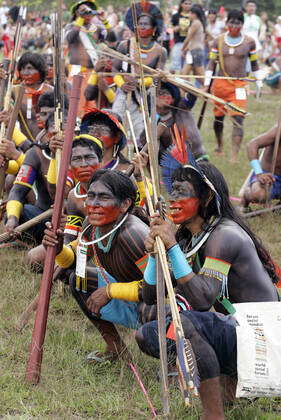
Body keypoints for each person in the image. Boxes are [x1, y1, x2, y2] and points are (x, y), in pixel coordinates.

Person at [43, 169, 150, 361]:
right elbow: (74, 261)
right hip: (130, 295)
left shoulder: (133, 234)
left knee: (152, 310)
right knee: (79, 280)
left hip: (159, 303)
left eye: (103, 197)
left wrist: (110, 291)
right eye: (91, 196)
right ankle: (115, 348)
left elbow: (158, 288)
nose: (94, 204)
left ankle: (175, 365)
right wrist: (59, 248)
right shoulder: (91, 226)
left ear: (125, 204)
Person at [205, 9, 262, 162]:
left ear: (242, 24)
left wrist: (259, 83)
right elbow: (211, 63)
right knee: (218, 119)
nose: (234, 25)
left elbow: (255, 64)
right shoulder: (218, 40)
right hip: (220, 84)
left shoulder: (249, 42)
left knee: (238, 118)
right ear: (226, 23)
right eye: (231, 22)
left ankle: (234, 156)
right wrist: (206, 83)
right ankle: (219, 145)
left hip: (239, 85)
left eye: (237, 23)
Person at [112, 1, 166, 145]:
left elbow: (157, 77)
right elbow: (115, 69)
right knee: (115, 126)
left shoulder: (160, 51)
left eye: (146, 24)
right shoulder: (125, 45)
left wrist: (141, 82)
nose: (142, 26)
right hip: (124, 94)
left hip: (145, 97)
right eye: (140, 23)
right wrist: (122, 84)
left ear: (154, 28)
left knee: (141, 137)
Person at [64, 0, 111, 116]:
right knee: (77, 106)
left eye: (89, 11)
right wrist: (80, 19)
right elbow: (70, 38)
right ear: (76, 13)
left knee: (94, 105)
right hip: (78, 72)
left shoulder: (96, 28)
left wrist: (104, 20)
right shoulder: (71, 27)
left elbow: (112, 38)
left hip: (95, 73)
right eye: (83, 11)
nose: (87, 13)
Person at [141, 81, 207, 162]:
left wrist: (172, 79)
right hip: (179, 166)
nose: (166, 96)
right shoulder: (156, 127)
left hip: (199, 158)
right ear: (153, 100)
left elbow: (192, 90)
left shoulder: (183, 107)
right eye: (160, 94)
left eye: (168, 93)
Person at [15, 52, 53, 142]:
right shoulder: (15, 91)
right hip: (24, 145)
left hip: (48, 144)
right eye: (22, 69)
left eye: (29, 68)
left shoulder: (51, 91)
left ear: (40, 70)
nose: (25, 72)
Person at [241, 124, 281, 210]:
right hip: (269, 176)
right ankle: (247, 195)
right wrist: (259, 173)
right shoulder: (278, 130)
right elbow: (252, 144)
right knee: (259, 194)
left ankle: (278, 207)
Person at [182, 5, 206, 84]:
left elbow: (188, 38)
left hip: (196, 52)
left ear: (194, 14)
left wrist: (182, 49)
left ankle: (209, 90)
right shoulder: (197, 23)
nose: (189, 15)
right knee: (188, 74)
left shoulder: (196, 23)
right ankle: (207, 90)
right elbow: (193, 40)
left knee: (199, 74)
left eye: (190, 13)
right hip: (194, 51)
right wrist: (186, 48)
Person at [170, 0, 192, 72]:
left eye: (189, 4)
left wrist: (189, 28)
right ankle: (169, 82)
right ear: (181, 4)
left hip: (190, 44)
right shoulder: (176, 16)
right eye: (186, 3)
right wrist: (178, 27)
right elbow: (171, 29)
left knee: (186, 67)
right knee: (174, 65)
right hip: (178, 42)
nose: (187, 5)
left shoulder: (193, 16)